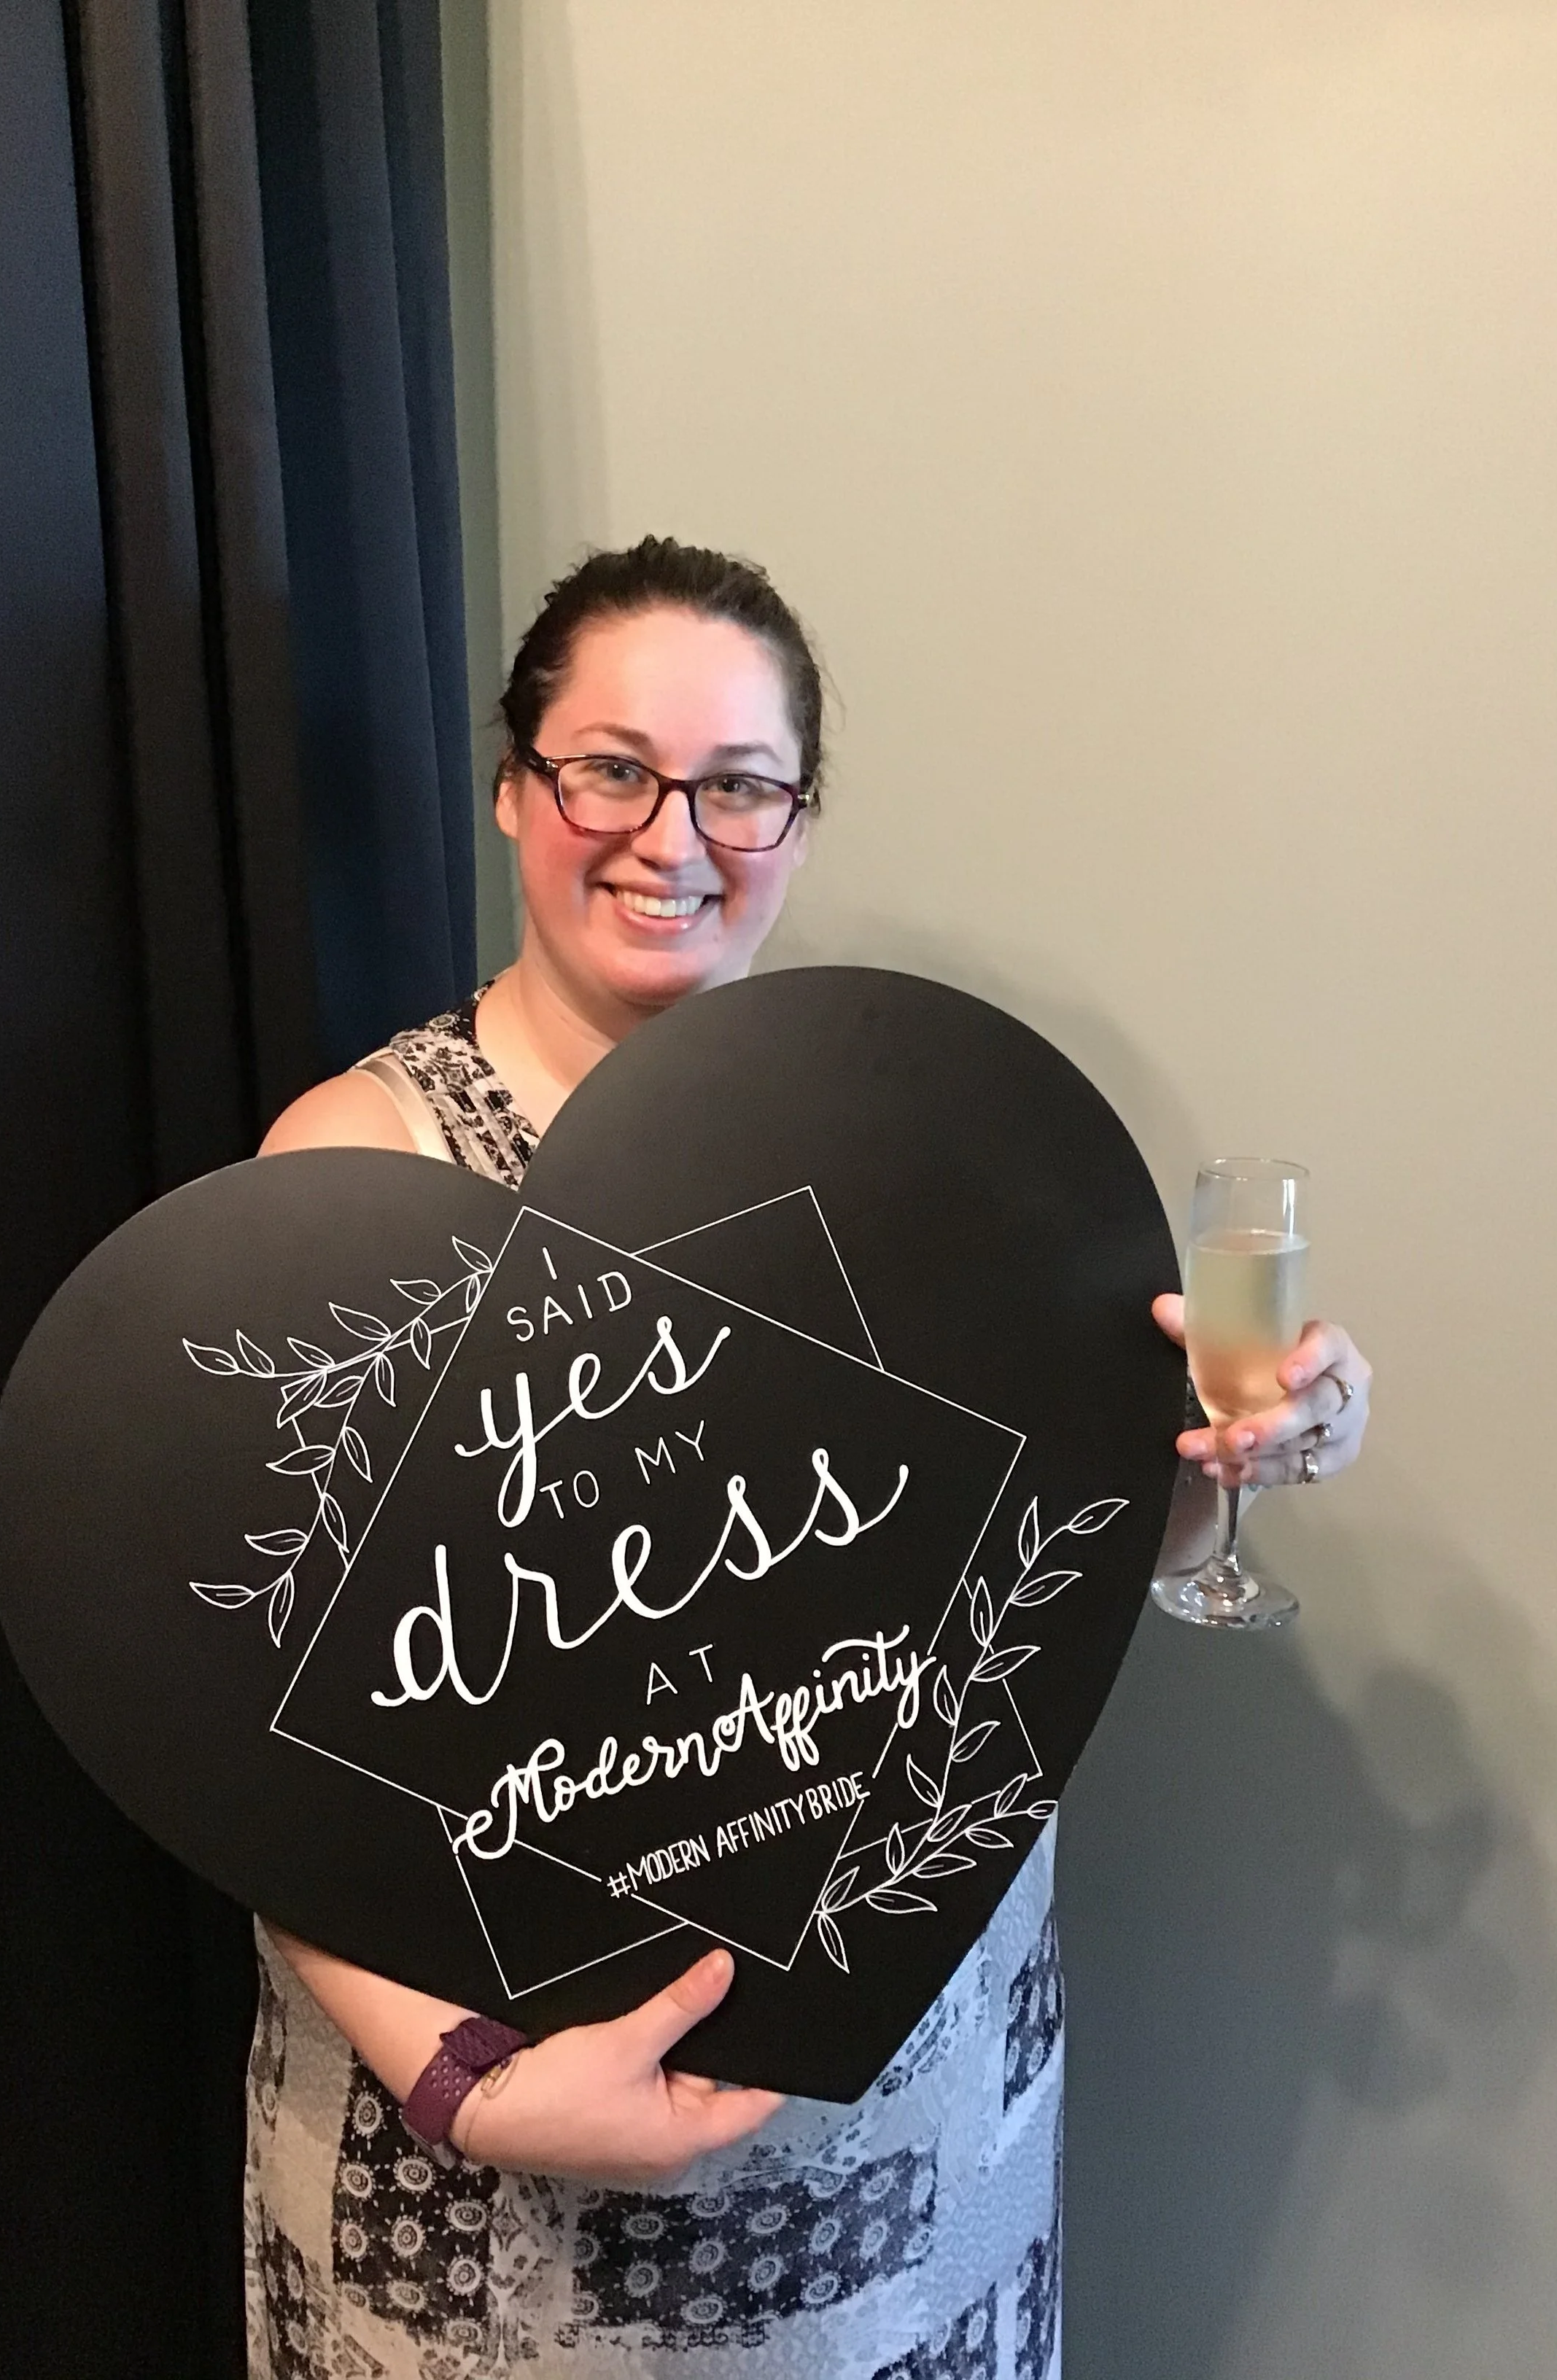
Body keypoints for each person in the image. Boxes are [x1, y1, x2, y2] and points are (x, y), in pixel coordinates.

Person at [246, 536, 1374, 2378]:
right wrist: (468, 2081)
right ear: (517, 786)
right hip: (507, 2162)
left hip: (918, 2111)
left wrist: (1229, 1458)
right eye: (612, 770)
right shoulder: (361, 1172)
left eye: (739, 785)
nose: (671, 836)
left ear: (799, 817)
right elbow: (240, 1730)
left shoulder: (923, 1141)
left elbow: (1062, 1560)